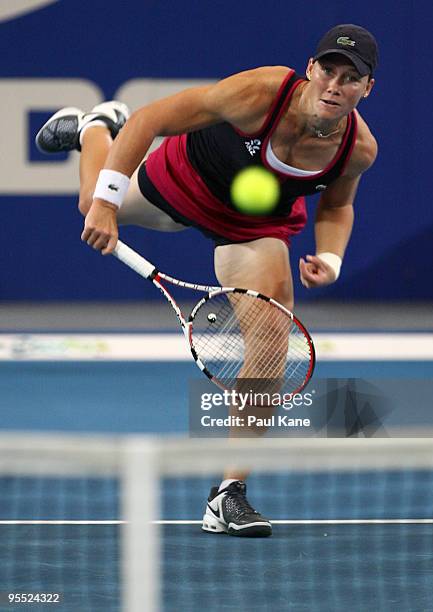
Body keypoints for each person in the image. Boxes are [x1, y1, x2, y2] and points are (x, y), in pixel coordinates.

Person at [36, 23, 378, 537]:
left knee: (269, 341)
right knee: (90, 202)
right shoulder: (260, 94)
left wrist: (330, 259)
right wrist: (108, 203)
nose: (335, 84)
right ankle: (94, 128)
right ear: (311, 69)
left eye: (350, 78)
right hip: (178, 184)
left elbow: (338, 205)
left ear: (366, 88)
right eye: (328, 70)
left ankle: (228, 494)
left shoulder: (357, 149)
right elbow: (151, 119)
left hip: (251, 230)